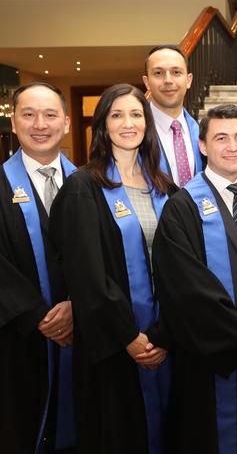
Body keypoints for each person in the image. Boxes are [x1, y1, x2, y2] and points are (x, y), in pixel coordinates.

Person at [50, 84, 174, 454]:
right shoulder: (83, 187)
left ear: (147, 124)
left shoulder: (165, 187)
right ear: (102, 126)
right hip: (113, 346)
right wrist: (129, 337)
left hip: (163, 337)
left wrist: (163, 334)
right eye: (116, 115)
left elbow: (182, 267)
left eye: (136, 114)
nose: (128, 123)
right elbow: (87, 275)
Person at [152, 104, 237, 453]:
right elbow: (187, 289)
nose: (233, 146)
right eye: (221, 138)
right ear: (203, 146)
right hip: (210, 359)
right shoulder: (183, 206)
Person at [0, 82, 75, 452]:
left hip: (85, 328)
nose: (39, 124)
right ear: (14, 123)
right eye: (28, 114)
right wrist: (38, 315)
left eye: (50, 115)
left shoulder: (92, 183)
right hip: (20, 339)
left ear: (65, 123)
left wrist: (79, 303)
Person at [143, 45, 203, 186]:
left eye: (176, 72)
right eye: (158, 73)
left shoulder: (202, 132)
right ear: (147, 82)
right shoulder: (133, 133)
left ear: (188, 80)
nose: (168, 80)